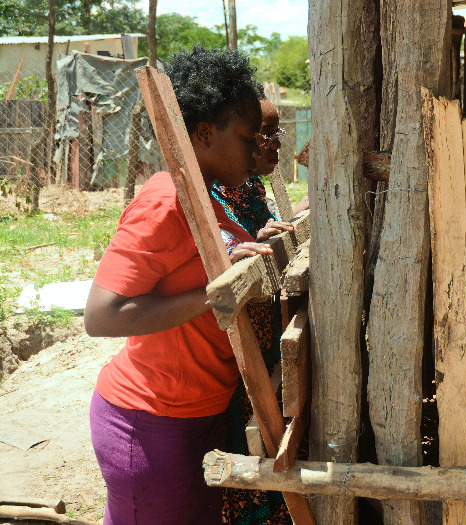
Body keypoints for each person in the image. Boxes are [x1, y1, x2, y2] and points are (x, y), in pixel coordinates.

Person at [84, 46, 279, 524]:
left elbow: (197, 262)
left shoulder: (209, 197)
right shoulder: (167, 201)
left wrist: (249, 245)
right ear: (205, 133)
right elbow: (100, 315)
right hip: (150, 422)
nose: (257, 146)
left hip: (198, 413)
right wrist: (216, 292)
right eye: (247, 135)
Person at [211, 98, 295, 524]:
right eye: (263, 136)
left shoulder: (251, 189)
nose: (274, 146)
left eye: (277, 134)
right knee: (249, 449)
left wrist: (271, 231)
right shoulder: (212, 194)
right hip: (236, 354)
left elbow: (257, 234)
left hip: (266, 343)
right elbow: (220, 251)